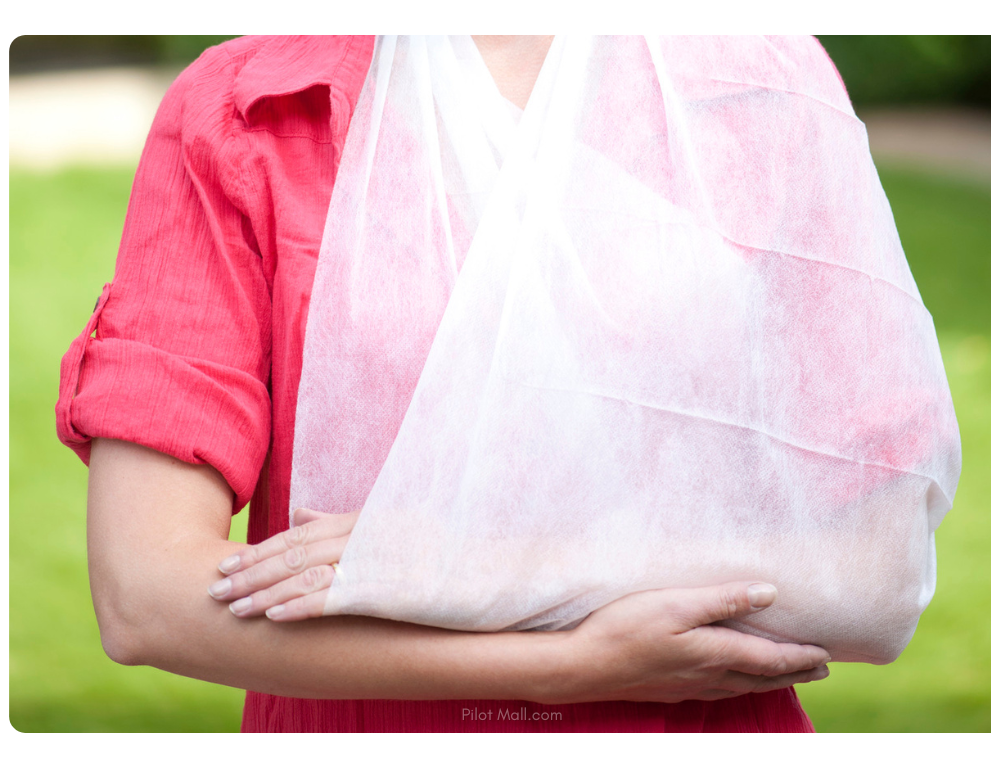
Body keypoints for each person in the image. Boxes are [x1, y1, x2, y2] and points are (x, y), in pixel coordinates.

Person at [60, 35, 858, 733]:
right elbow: (145, 597)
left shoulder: (762, 84)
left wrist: (483, 566)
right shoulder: (247, 111)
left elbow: (872, 570)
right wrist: (563, 668)